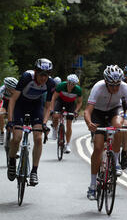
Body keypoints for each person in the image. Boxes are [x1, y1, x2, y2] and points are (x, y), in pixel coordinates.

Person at [84, 65, 127, 200]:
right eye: (111, 85)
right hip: (98, 113)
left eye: (117, 85)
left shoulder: (125, 88)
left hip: (115, 110)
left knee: (118, 126)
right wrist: (89, 123)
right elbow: (87, 111)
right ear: (105, 82)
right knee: (97, 148)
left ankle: (115, 162)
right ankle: (92, 185)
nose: (115, 89)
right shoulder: (98, 87)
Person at [7, 58, 55, 186]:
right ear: (35, 72)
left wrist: (44, 123)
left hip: (35, 106)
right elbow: (12, 100)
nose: (44, 78)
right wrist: (10, 121)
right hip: (20, 105)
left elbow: (47, 106)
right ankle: (12, 161)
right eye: (41, 74)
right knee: (17, 137)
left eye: (47, 75)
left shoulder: (50, 84)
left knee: (38, 138)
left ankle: (34, 171)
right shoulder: (26, 77)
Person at [50, 74, 83, 153]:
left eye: (73, 84)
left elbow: (79, 102)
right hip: (60, 101)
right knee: (56, 115)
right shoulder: (61, 86)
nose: (70, 85)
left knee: (69, 124)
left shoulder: (78, 90)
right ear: (67, 81)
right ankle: (55, 129)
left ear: (75, 84)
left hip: (71, 104)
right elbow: (54, 98)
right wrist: (52, 110)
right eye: (69, 83)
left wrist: (76, 111)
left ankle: (67, 144)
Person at [0, 77, 19, 145]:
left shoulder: (18, 89)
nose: (14, 90)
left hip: (15, 105)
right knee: (0, 114)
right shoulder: (2, 89)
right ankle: (2, 133)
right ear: (7, 87)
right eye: (12, 88)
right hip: (5, 104)